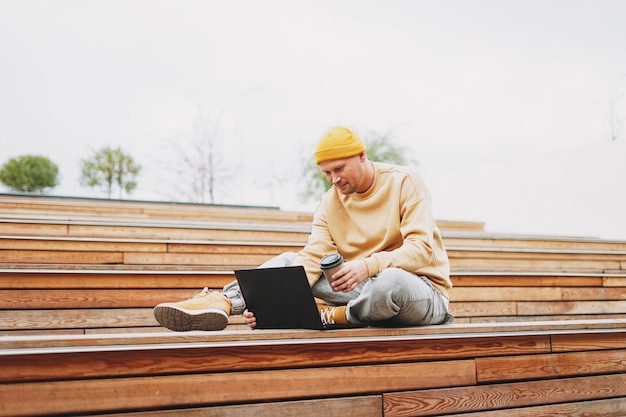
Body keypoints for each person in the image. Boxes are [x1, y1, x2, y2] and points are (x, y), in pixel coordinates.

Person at [153, 126, 453, 331]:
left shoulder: (404, 182)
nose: (333, 179)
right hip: (364, 293)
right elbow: (312, 259)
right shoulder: (328, 203)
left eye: (339, 169)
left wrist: (368, 265)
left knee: (390, 281)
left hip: (419, 294)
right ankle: (222, 301)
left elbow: (421, 250)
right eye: (326, 173)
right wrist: (271, 303)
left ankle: (335, 317)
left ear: (362, 156)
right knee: (287, 262)